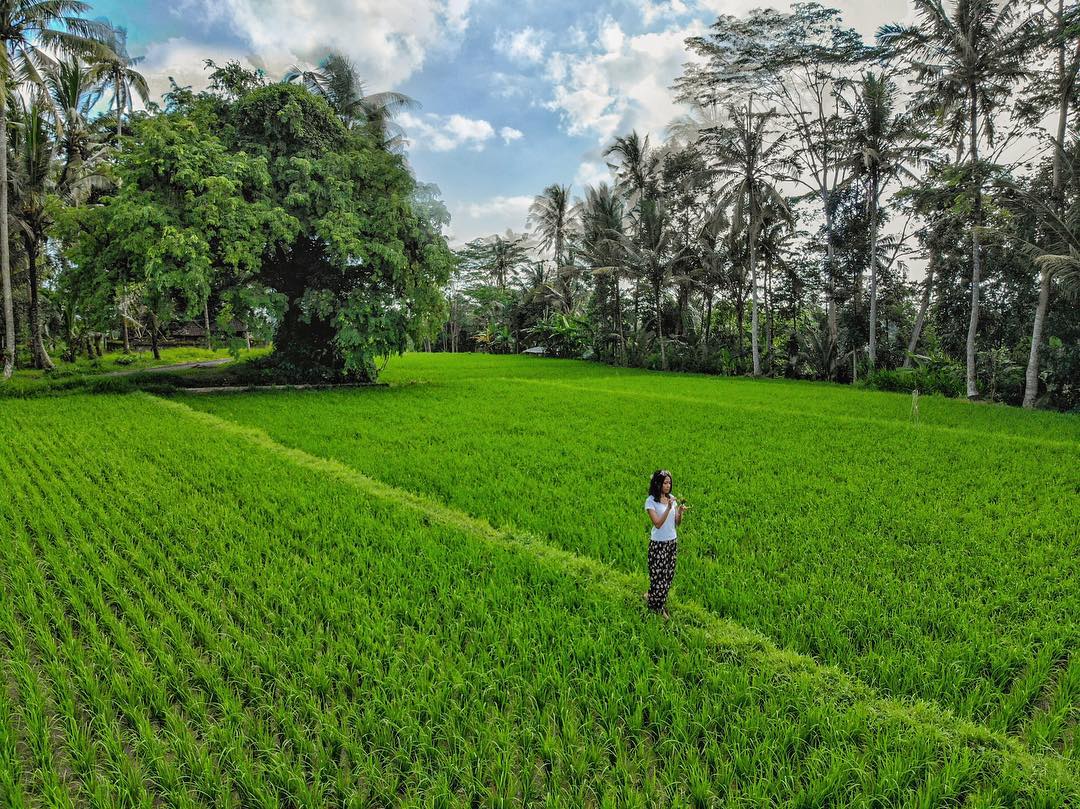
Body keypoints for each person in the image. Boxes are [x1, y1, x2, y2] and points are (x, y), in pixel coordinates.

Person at [642, 469, 687, 619]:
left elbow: (676, 523)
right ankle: (657, 608)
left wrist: (680, 511)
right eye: (665, 483)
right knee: (658, 576)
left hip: (671, 542)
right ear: (658, 484)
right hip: (658, 544)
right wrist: (668, 508)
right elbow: (658, 523)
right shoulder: (651, 501)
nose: (668, 486)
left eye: (669, 483)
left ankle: (653, 597)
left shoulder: (672, 498)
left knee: (668, 575)